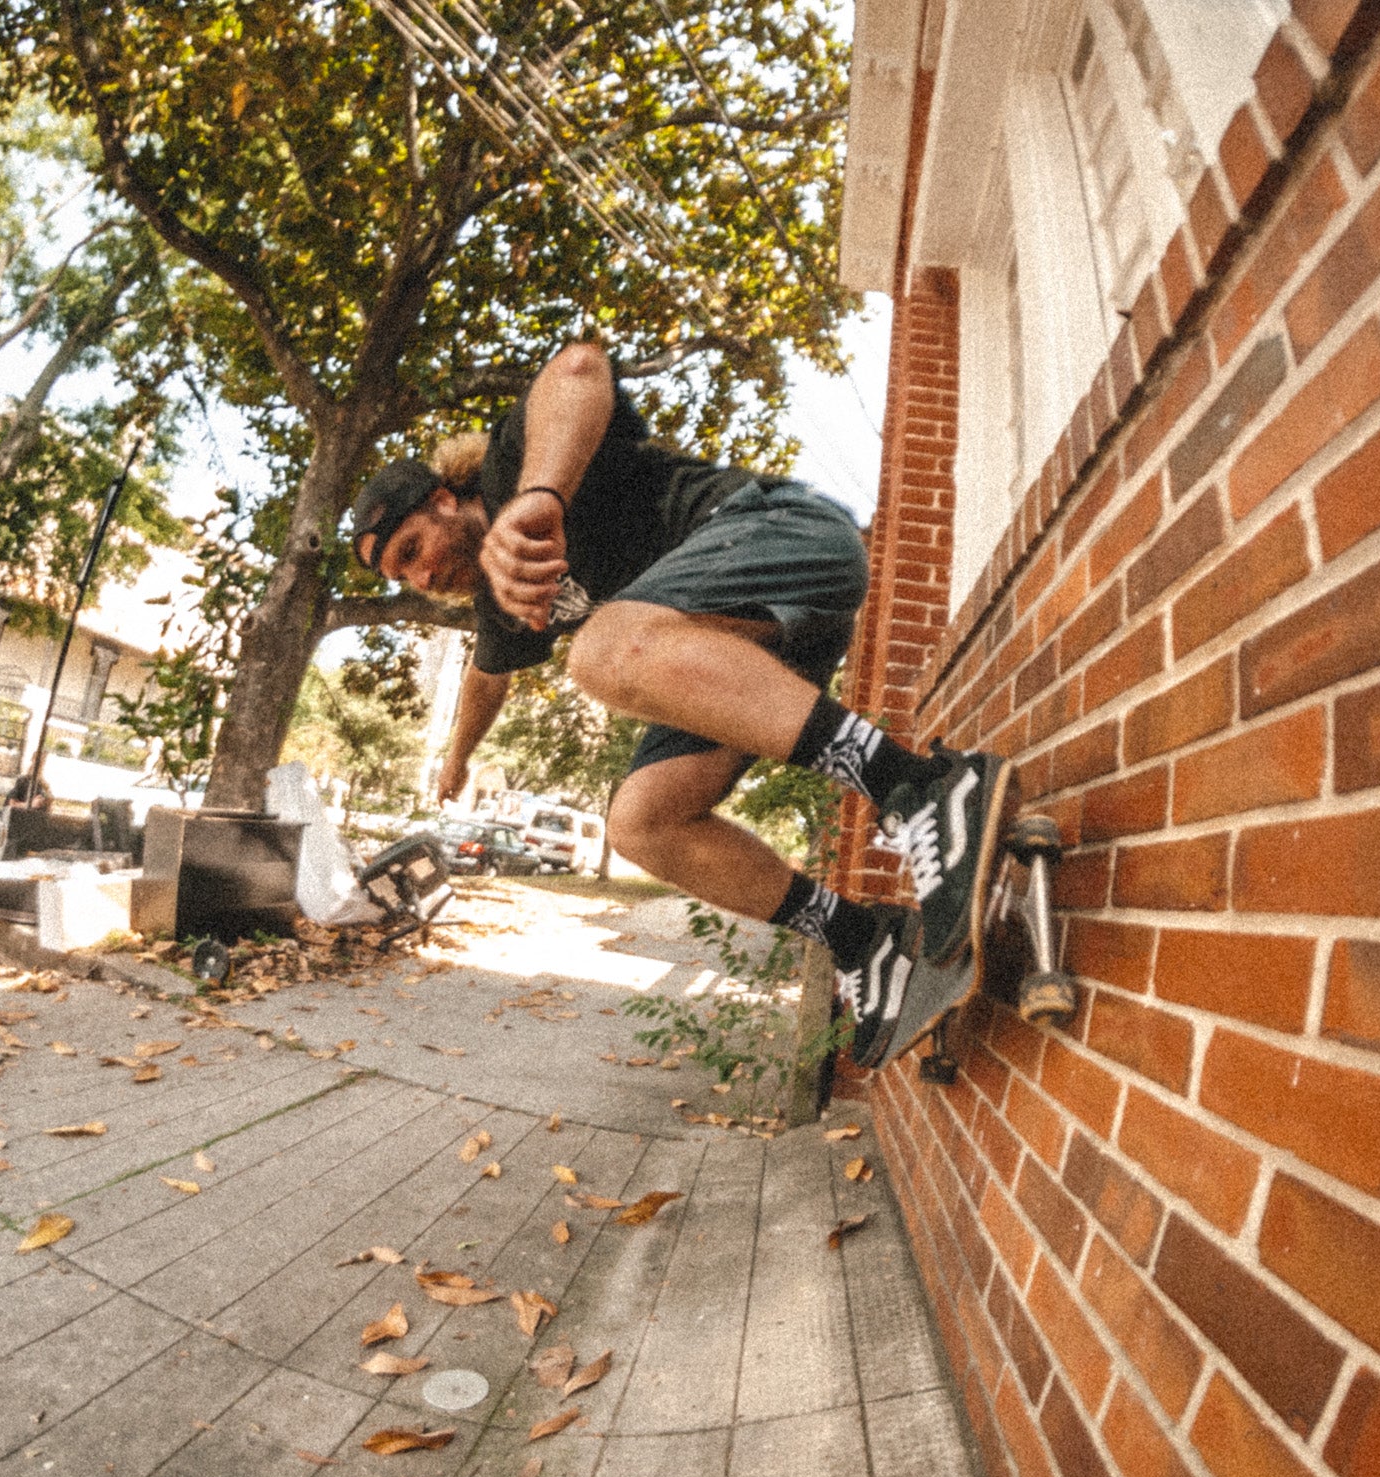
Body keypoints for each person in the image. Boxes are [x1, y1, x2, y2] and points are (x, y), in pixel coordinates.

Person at [347, 341, 1011, 1069]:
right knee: (640, 821)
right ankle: (867, 941)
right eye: (403, 576)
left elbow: (578, 368)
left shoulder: (515, 466)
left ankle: (917, 789)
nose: (422, 575)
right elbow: (485, 676)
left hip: (788, 537)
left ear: (444, 500)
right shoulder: (500, 606)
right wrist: (458, 757)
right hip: (765, 646)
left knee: (598, 650)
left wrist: (540, 496)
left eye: (413, 548)